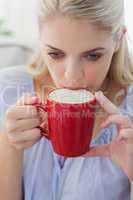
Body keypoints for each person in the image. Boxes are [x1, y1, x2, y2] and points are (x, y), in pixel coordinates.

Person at [0, 0, 133, 199]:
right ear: (41, 39)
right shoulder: (8, 89)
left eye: (93, 56)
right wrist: (10, 144)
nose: (71, 77)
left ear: (118, 40)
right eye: (55, 54)